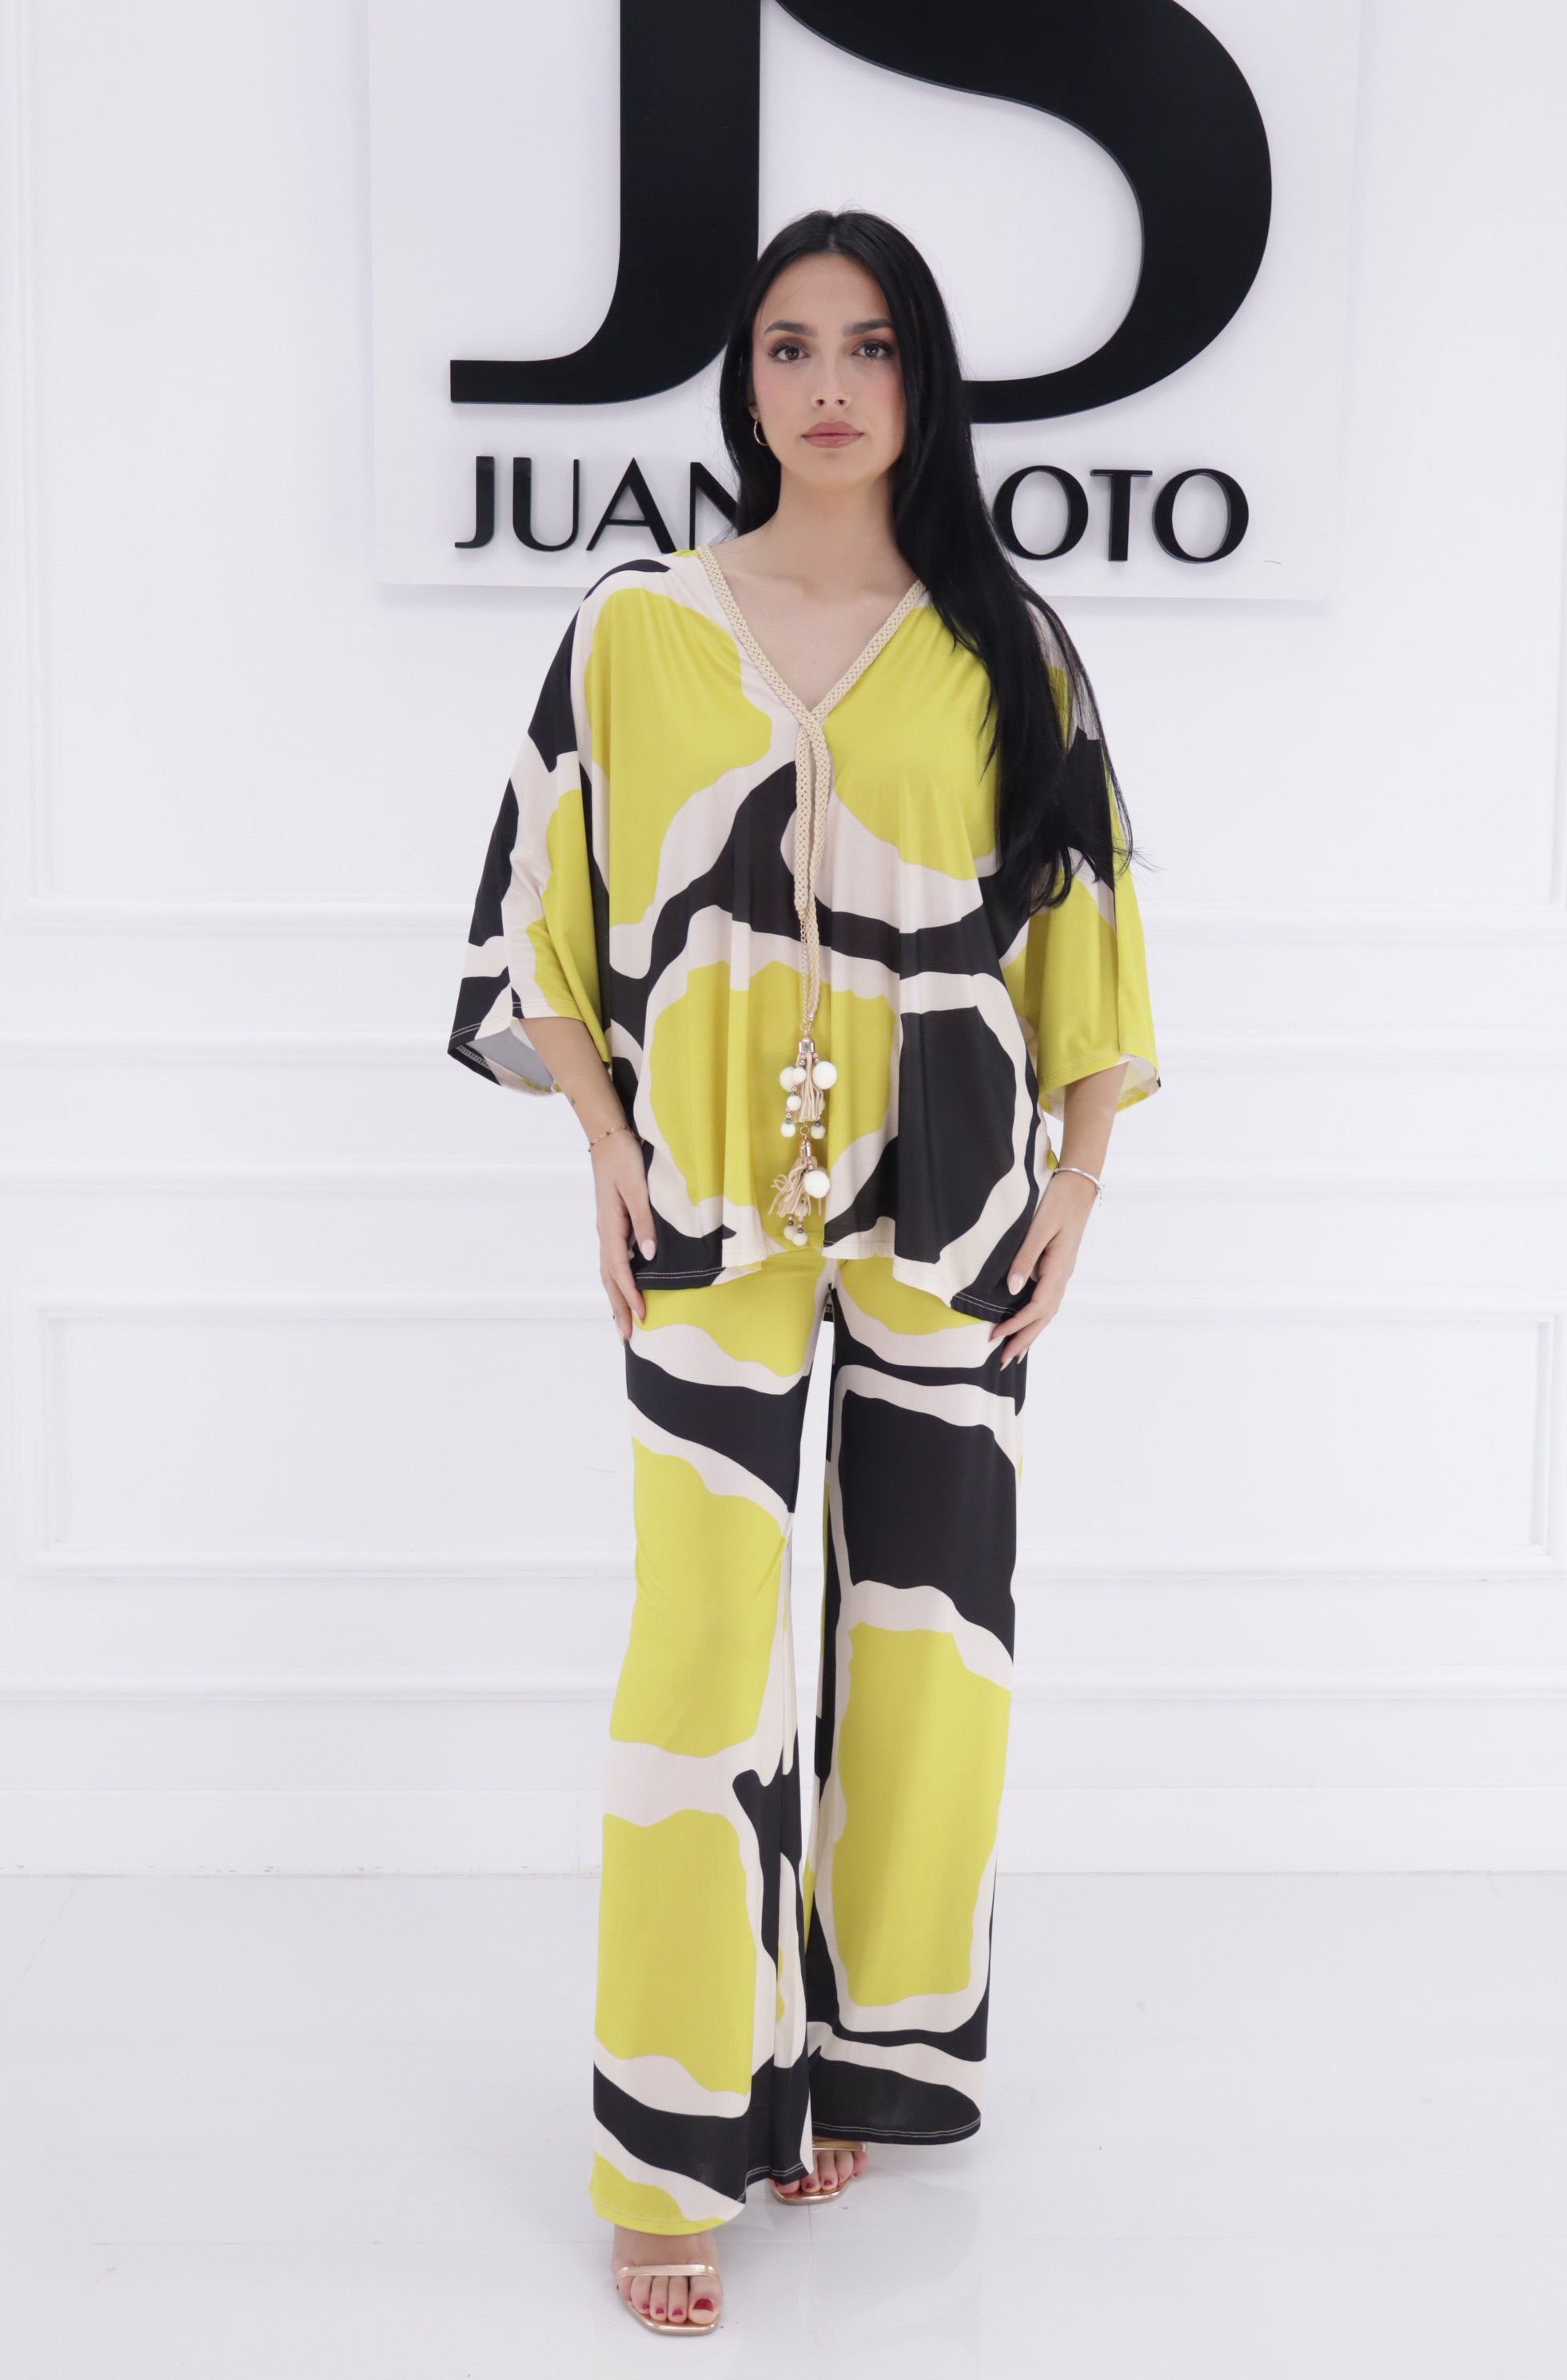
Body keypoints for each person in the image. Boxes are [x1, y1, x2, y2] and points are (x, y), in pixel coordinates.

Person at [448, 208, 1158, 2337]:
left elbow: (1089, 916)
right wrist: (600, 1144)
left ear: (922, 378)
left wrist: (1081, 1172)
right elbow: (538, 908)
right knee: (701, 1646)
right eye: (787, 346)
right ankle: (671, 2140)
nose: (827, 384)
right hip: (702, 1198)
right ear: (744, 381)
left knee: (931, 1639)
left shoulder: (1008, 642)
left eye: (867, 346)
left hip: (959, 1189)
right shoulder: (638, 627)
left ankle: (858, 2061)